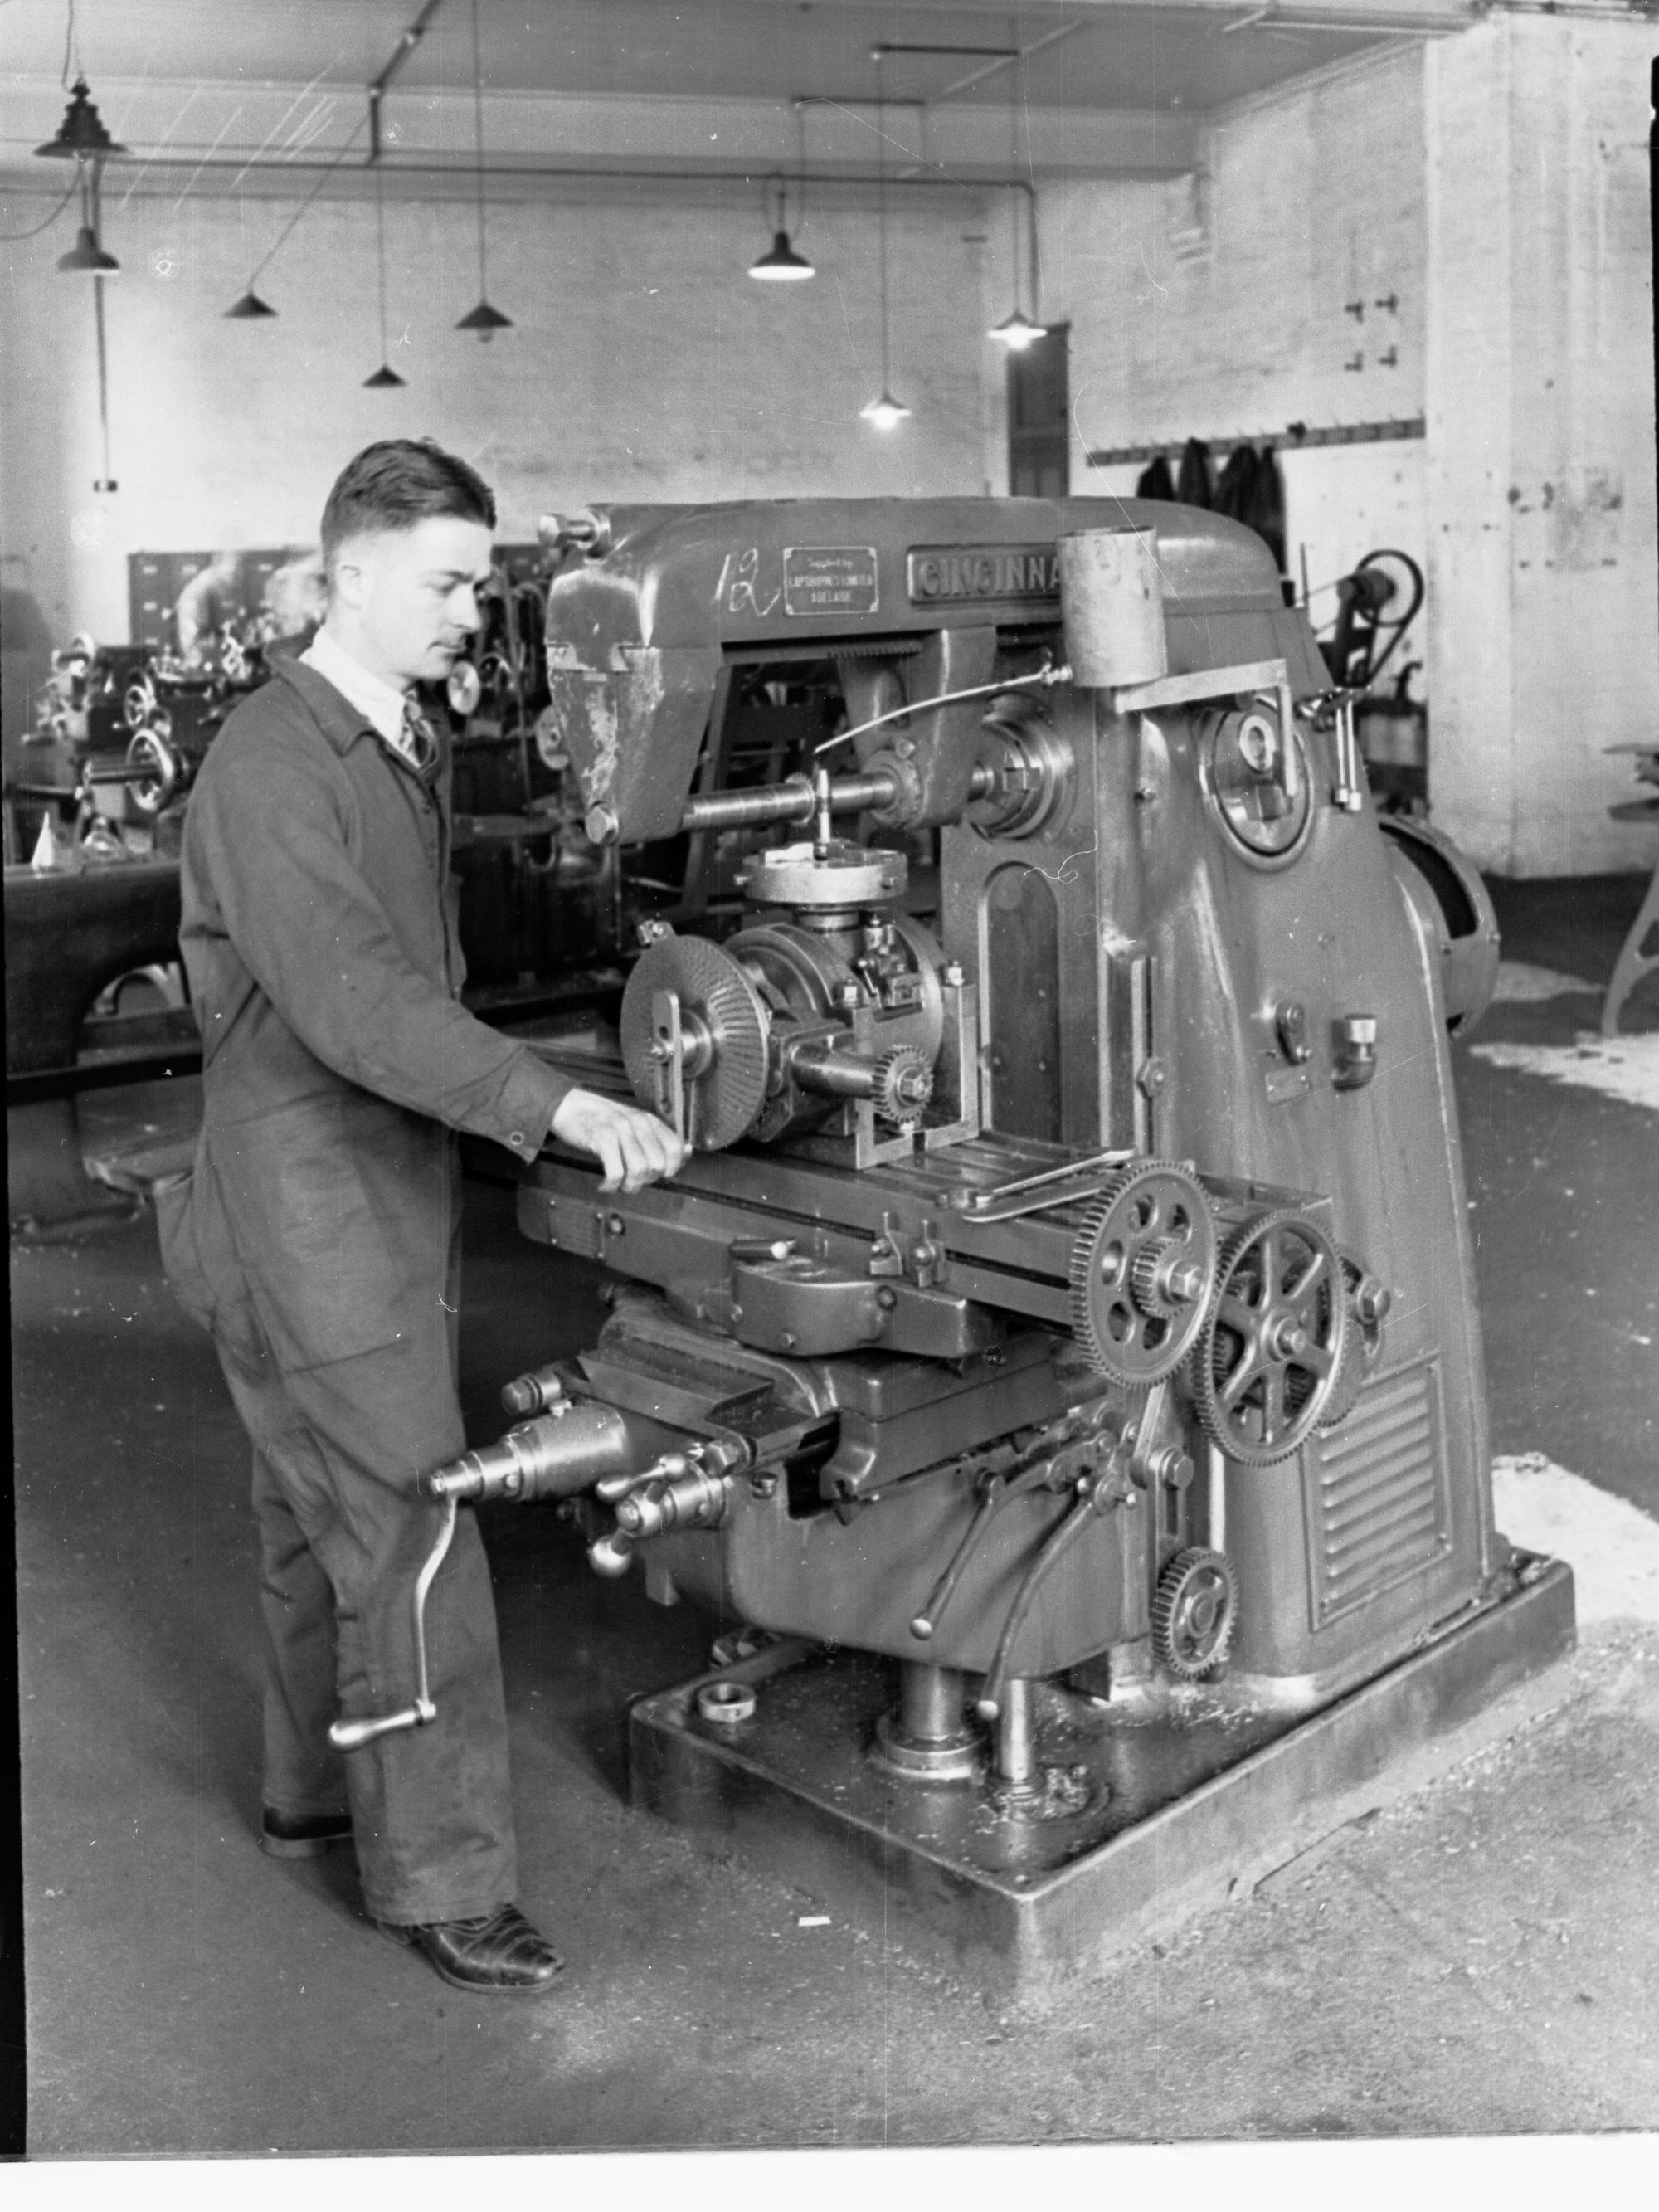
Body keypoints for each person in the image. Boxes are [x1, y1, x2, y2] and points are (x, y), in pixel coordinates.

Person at [158, 438, 685, 1995]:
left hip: (357, 1186)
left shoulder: (393, 741)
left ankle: (311, 1791)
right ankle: (443, 1882)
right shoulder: (272, 760)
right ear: (352, 576)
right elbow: (351, 999)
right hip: (305, 1193)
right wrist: (558, 1104)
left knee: (302, 1510)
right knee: (411, 1515)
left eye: (484, 580)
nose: (476, 611)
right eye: (451, 582)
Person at [174, 549, 244, 663]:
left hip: (211, 659)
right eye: (235, 568)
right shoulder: (201, 590)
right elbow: (200, 639)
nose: (239, 574)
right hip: (202, 664)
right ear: (218, 563)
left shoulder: (216, 588)